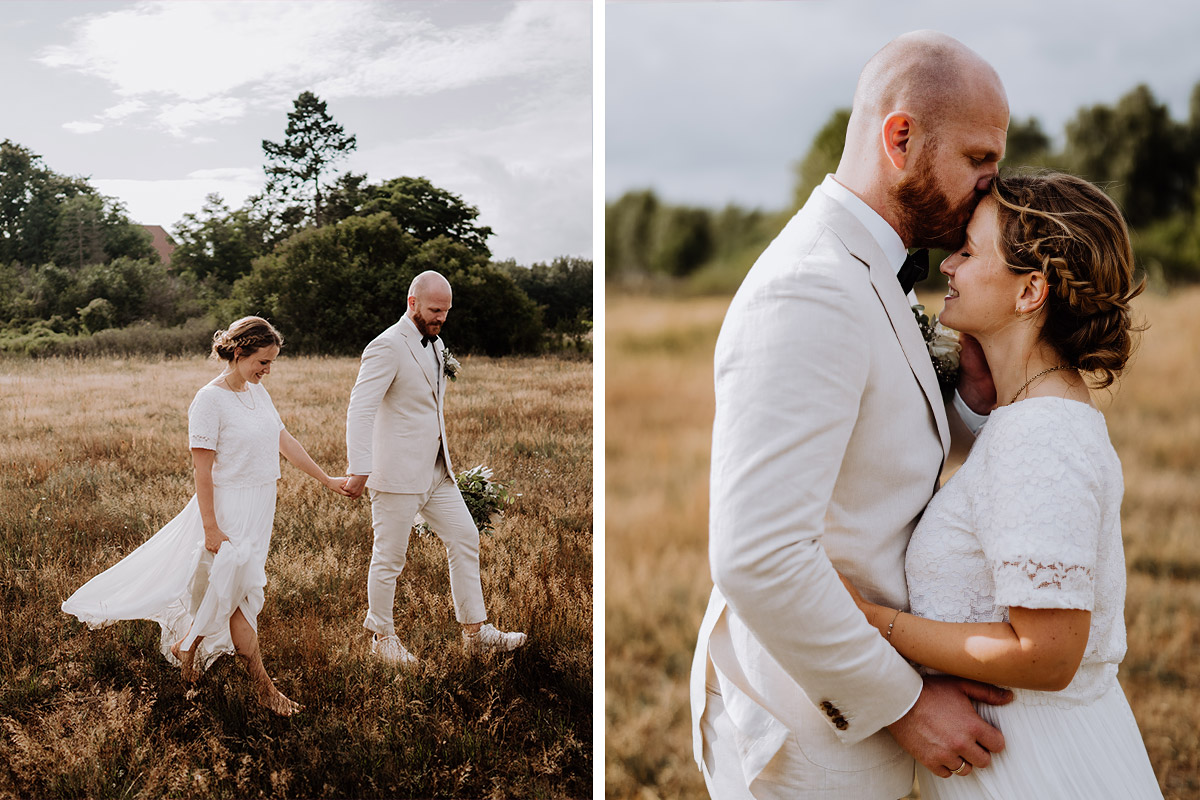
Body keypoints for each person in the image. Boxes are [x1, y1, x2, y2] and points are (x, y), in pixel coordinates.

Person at [690, 31, 1013, 798]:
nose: (992, 186)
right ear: (900, 138)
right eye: (979, 161)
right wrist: (902, 703)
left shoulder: (871, 266)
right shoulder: (809, 287)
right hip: (803, 723)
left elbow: (883, 451)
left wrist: (969, 396)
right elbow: (758, 555)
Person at [839, 172, 1161, 798]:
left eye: (968, 250)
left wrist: (872, 623)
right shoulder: (1033, 417)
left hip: (1036, 770)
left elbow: (1047, 654)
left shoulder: (1040, 438)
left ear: (1030, 290)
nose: (948, 267)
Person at [62, 316, 351, 716]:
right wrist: (212, 527)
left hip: (260, 504)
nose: (268, 371)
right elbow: (202, 470)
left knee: (230, 592)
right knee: (240, 597)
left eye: (271, 363)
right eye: (263, 362)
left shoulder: (256, 393)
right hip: (226, 509)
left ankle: (189, 645)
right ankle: (265, 690)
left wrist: (326, 479)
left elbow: (283, 440)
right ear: (238, 352)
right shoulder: (208, 400)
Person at [343, 270, 525, 665]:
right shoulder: (386, 346)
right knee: (389, 557)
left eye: (446, 310)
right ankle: (381, 637)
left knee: (465, 537)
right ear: (412, 303)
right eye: (434, 309)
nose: (441, 317)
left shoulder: (437, 344)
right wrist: (359, 467)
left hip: (437, 472)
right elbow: (360, 408)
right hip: (396, 473)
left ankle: (475, 632)